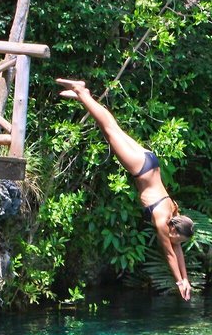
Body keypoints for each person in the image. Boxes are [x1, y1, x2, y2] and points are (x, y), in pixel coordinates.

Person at [56, 78, 194, 300]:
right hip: (140, 169)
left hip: (150, 160)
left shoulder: (174, 214)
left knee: (114, 129)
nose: (178, 245)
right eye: (179, 239)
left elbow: (176, 248)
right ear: (175, 232)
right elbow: (169, 252)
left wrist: (186, 278)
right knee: (110, 131)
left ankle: (85, 97)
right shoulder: (161, 220)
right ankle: (81, 92)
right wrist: (179, 281)